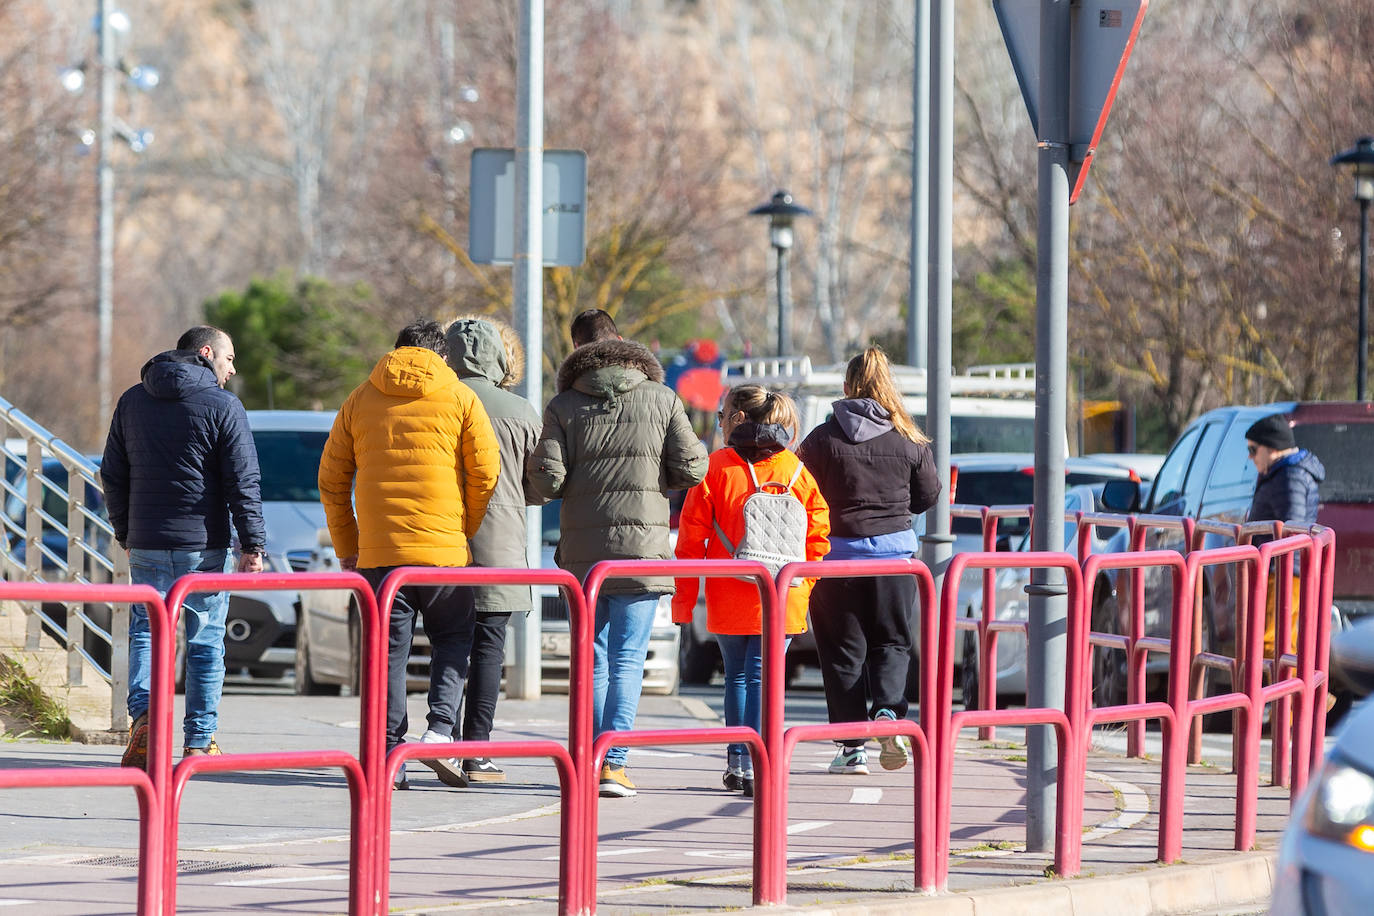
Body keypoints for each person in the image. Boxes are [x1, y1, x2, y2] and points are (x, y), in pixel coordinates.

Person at [528, 309, 708, 798]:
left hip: (584, 559)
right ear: (622, 342)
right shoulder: (663, 398)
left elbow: (548, 482)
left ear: (577, 350)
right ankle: (615, 764)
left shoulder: (563, 405)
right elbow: (693, 468)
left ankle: (588, 761)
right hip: (643, 552)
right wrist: (655, 482)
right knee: (628, 659)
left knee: (593, 658)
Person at [318, 319, 500, 790]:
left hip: (380, 556)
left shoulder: (360, 398)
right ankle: (440, 731)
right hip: (444, 555)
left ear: (395, 351)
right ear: (441, 357)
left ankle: (387, 755)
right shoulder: (461, 396)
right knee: (454, 640)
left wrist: (348, 547)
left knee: (388, 655)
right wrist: (461, 529)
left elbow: (332, 480)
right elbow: (485, 472)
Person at [103, 325, 266, 767]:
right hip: (203, 545)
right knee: (206, 640)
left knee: (145, 631)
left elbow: (113, 474)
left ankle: (145, 721)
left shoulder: (132, 400)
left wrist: (125, 533)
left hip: (148, 541)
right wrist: (252, 544)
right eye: (229, 359)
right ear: (208, 352)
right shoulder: (224, 406)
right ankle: (200, 740)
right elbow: (243, 482)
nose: (232, 369)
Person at [672, 386, 830, 796]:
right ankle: (762, 762)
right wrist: (803, 584)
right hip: (782, 595)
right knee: (764, 678)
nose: (720, 420)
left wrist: (684, 603)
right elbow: (819, 538)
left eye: (723, 413)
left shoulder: (716, 468)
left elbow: (690, 543)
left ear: (738, 418)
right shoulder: (796, 470)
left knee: (737, 678)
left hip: (729, 591)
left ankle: (738, 762)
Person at [797, 346, 941, 775]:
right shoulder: (909, 439)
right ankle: (888, 715)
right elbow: (928, 496)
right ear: (887, 389)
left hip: (835, 561)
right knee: (892, 643)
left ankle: (851, 748)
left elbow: (802, 493)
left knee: (842, 653)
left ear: (846, 390)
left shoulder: (821, 440)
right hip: (895, 562)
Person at [444, 315, 546, 783]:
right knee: (489, 647)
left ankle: (437, 735)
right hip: (501, 540)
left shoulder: (437, 400)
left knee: (449, 645)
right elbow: (541, 484)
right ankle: (476, 751)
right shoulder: (520, 411)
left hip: (442, 541)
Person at [1245, 412, 1325, 658]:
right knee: (1277, 645)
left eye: (1253, 449)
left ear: (1272, 448)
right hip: (1279, 570)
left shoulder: (1290, 476)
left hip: (1283, 572)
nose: (1250, 456)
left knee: (1273, 646)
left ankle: (1291, 698)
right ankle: (1302, 697)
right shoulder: (1282, 474)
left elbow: (1293, 527)